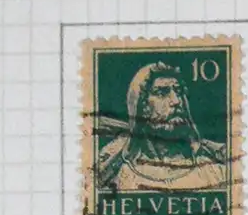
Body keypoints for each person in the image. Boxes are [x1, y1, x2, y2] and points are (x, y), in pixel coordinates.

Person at [94, 61, 228, 197]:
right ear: (142, 106)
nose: (176, 101)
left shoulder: (215, 173)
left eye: (178, 92)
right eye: (162, 93)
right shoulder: (120, 177)